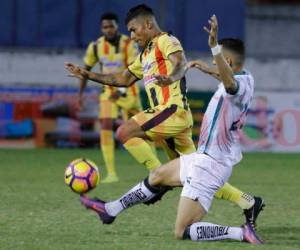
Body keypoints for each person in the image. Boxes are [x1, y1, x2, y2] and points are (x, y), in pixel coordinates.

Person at [65, 5, 264, 226]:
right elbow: (121, 79)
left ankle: (155, 176)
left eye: (133, 29)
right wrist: (87, 74)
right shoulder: (145, 54)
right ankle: (247, 202)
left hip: (172, 111)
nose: (131, 36)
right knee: (194, 175)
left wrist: (170, 79)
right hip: (168, 121)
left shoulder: (166, 40)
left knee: (125, 131)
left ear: (148, 24)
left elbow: (180, 64)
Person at [78, 12, 142, 183]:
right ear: (102, 28)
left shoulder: (128, 44)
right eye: (105, 27)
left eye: (111, 26)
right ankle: (111, 173)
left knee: (144, 131)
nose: (109, 30)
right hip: (108, 92)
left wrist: (120, 91)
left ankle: (155, 168)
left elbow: (134, 70)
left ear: (117, 26)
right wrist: (80, 95)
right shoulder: (96, 46)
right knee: (105, 125)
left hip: (129, 91)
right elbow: (86, 71)